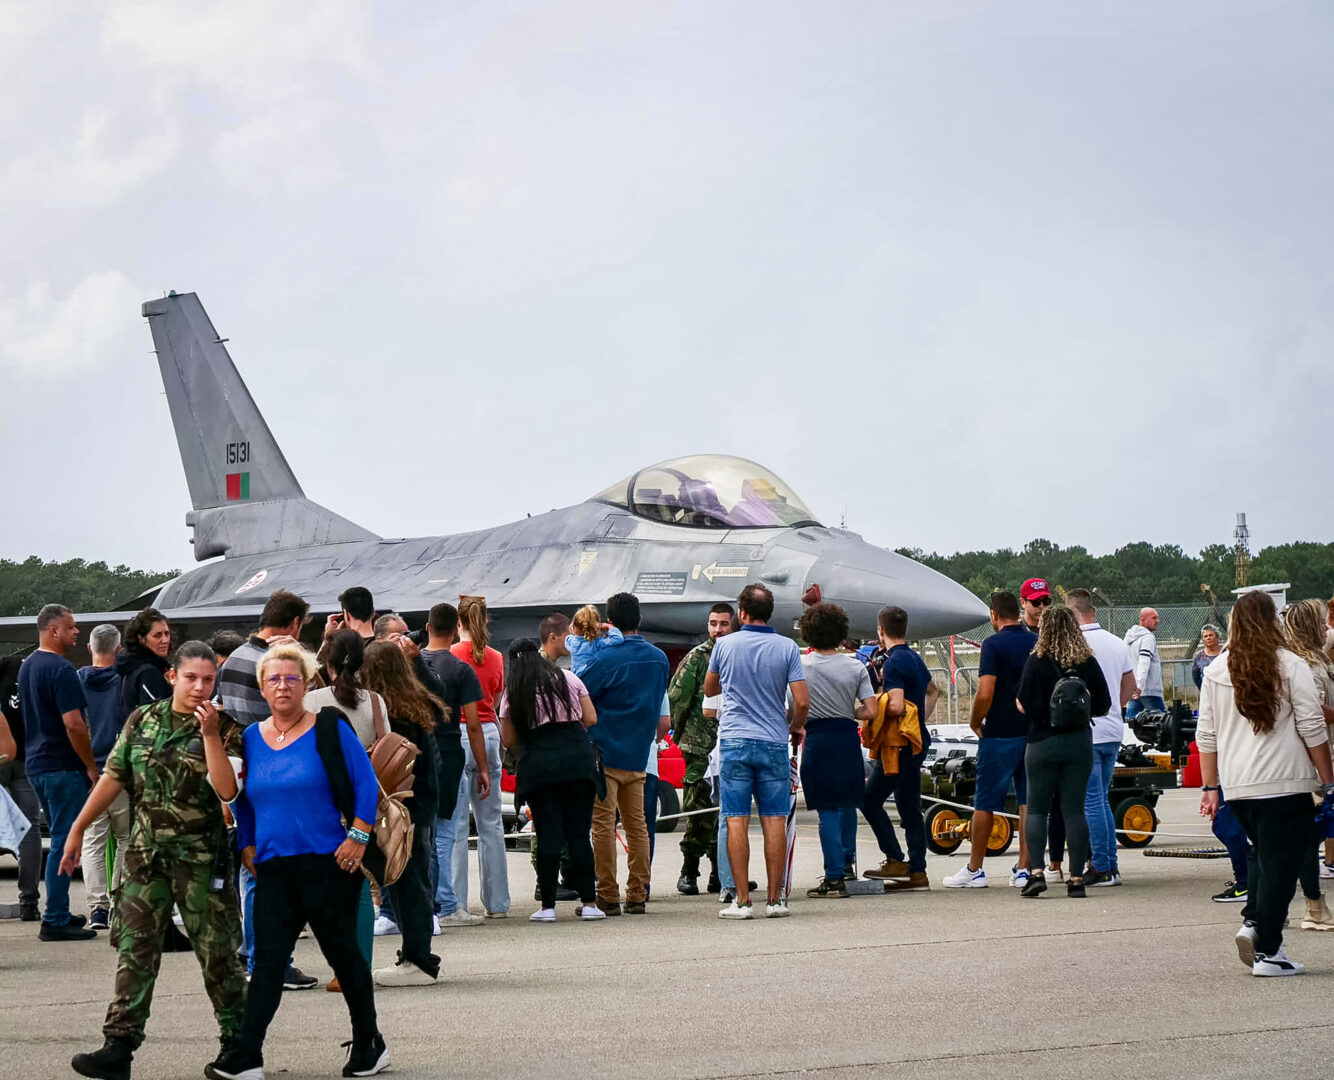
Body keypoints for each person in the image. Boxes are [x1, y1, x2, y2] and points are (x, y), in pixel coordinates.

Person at [64, 640, 248, 1080]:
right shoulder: (143, 719)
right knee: (135, 950)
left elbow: (228, 791)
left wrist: (208, 736)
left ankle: (239, 1044)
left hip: (202, 862)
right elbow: (115, 777)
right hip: (147, 860)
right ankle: (119, 1047)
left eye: (208, 679)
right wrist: (77, 827)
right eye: (191, 678)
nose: (201, 687)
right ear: (172, 677)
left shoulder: (226, 729)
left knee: (218, 955)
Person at [209, 643, 388, 1079]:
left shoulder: (329, 727)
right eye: (274, 679)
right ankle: (247, 1055)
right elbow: (243, 798)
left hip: (328, 863)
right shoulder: (252, 738)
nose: (283, 686)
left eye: (292, 678)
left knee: (344, 957)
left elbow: (366, 784)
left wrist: (359, 837)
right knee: (267, 963)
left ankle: (370, 1043)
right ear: (261, 687)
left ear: (307, 684)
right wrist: (247, 842)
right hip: (272, 868)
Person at [1198, 590, 1334, 976]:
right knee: (1283, 866)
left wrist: (1210, 787)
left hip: (1238, 785)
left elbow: (1205, 735)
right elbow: (1312, 726)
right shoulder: (1291, 665)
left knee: (1265, 857)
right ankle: (1269, 949)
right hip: (1285, 781)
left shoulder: (1216, 670)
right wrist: (1328, 778)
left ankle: (1255, 922)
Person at [216, 588, 318, 991]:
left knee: (250, 863)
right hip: (273, 773)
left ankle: (252, 948)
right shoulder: (277, 663)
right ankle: (270, 959)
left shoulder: (236, 657)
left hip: (239, 769)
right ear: (293, 623)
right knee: (268, 871)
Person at [705, 584, 808, 918]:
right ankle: (776, 900)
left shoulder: (725, 645)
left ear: (741, 613)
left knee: (735, 819)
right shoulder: (788, 648)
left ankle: (742, 901)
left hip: (734, 740)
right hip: (774, 740)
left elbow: (710, 687)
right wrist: (795, 725)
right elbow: (802, 701)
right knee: (774, 819)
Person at [498, 638, 603, 922]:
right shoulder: (568, 677)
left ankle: (547, 907)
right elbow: (590, 717)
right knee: (579, 833)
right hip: (577, 758)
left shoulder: (514, 691)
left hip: (539, 763)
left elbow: (508, 739)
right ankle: (590, 903)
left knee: (547, 834)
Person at [304, 629, 386, 987]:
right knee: (362, 885)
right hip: (363, 801)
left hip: (324, 801)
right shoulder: (376, 701)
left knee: (329, 888)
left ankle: (342, 965)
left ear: (329, 663)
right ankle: (358, 965)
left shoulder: (312, 701)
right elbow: (385, 746)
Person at [581, 592, 671, 916]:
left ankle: (607, 893)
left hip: (604, 752)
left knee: (603, 824)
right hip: (639, 752)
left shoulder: (606, 659)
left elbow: (581, 691)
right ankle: (638, 893)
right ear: (640, 620)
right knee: (638, 826)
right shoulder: (659, 658)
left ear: (610, 622)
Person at [360, 641, 443, 985]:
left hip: (398, 803)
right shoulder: (416, 700)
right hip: (421, 799)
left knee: (404, 878)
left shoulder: (383, 708)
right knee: (414, 875)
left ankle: (418, 959)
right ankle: (416, 954)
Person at [1015, 605, 1111, 899]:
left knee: (1037, 808)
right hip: (1078, 742)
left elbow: (1023, 704)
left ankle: (1036, 873)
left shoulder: (1036, 660)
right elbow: (1103, 705)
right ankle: (1077, 878)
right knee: (1074, 809)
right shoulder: (1087, 661)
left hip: (1042, 741)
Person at [943, 592, 1035, 889]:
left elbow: (985, 691)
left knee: (985, 802)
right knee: (1027, 801)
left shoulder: (993, 645)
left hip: (999, 732)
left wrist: (974, 721)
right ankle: (1024, 867)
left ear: (994, 615)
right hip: (1031, 731)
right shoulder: (1035, 641)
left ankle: (975, 868)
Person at [19, 604, 98, 941]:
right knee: (67, 841)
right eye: (71, 627)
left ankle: (60, 910)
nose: (77, 632)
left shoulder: (28, 667)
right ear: (53, 631)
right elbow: (73, 723)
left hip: (36, 763)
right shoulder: (62, 670)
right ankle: (54, 919)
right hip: (62, 766)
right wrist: (91, 765)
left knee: (59, 836)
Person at [419, 603, 490, 927]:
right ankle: (447, 903)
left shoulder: (412, 663)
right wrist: (484, 767)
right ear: (455, 629)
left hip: (417, 753)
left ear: (427, 626)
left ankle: (434, 901)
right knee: (446, 830)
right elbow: (473, 724)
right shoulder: (460, 670)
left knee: (424, 832)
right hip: (448, 752)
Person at [798, 604, 876, 899]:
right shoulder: (856, 666)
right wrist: (849, 710)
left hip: (817, 738)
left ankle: (832, 877)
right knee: (847, 804)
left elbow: (794, 708)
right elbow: (870, 710)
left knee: (826, 810)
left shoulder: (802, 667)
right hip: (846, 738)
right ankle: (848, 863)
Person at [860, 606, 934, 892]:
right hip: (915, 741)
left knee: (869, 800)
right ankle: (917, 870)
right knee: (909, 806)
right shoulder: (914, 657)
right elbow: (932, 691)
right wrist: (918, 723)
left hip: (899, 744)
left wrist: (873, 705)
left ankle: (895, 858)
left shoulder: (892, 662)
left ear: (881, 630)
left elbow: (896, 705)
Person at [1066, 588, 1137, 888]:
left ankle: (1101, 865)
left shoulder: (1075, 644)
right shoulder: (1116, 642)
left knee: (1091, 801)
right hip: (1112, 728)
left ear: (1072, 613)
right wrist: (1114, 710)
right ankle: (1111, 865)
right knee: (1102, 799)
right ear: (1093, 610)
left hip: (1088, 730)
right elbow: (1130, 687)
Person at [449, 595, 510, 917]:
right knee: (491, 824)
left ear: (458, 622)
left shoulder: (449, 655)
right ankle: (498, 903)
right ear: (485, 621)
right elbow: (497, 698)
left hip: (458, 735)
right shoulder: (497, 657)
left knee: (457, 826)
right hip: (488, 733)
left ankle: (456, 902)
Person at [669, 602, 734, 896]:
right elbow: (678, 700)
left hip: (731, 743)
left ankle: (720, 872)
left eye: (723, 624)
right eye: (713, 624)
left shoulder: (737, 654)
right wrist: (685, 736)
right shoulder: (697, 658)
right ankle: (689, 871)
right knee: (699, 808)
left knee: (728, 811)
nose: (717, 630)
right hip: (699, 746)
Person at [1281, 598, 1334, 931]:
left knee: (1301, 837)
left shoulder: (1313, 661)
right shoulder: (1306, 666)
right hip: (1317, 758)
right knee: (1303, 836)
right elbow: (1313, 712)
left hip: (1317, 756)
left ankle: (1301, 904)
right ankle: (1310, 904)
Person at [77, 623, 131, 930]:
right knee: (125, 837)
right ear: (119, 650)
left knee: (93, 839)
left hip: (90, 768)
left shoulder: (76, 681)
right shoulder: (123, 681)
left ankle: (97, 907)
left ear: (89, 648)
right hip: (120, 767)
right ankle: (120, 900)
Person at [0, 654, 42, 921]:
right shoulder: (34, 675)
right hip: (27, 758)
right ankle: (29, 901)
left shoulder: (5, 667)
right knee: (30, 828)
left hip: (2, 757)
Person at [114, 609, 173, 720]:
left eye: (166, 633)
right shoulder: (148, 673)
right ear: (141, 639)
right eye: (157, 635)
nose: (164, 640)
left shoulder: (128, 666)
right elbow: (156, 719)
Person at [1124, 608, 1163, 719]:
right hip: (1149, 690)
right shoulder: (1148, 638)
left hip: (1134, 689)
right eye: (1154, 617)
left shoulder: (1128, 637)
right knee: (1162, 724)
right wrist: (1140, 686)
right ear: (1143, 619)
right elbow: (1144, 662)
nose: (1158, 620)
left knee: (1131, 723)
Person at [564, 604, 624, 676]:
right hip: (591, 679)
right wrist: (609, 626)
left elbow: (568, 640)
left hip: (577, 678)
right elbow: (618, 639)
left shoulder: (570, 640)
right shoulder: (597, 643)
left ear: (574, 628)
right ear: (597, 627)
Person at [1192, 625, 1224, 689]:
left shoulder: (1225, 653)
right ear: (1203, 640)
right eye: (1205, 636)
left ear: (1217, 637)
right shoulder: (1198, 657)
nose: (1208, 638)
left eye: (1211, 635)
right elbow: (1196, 677)